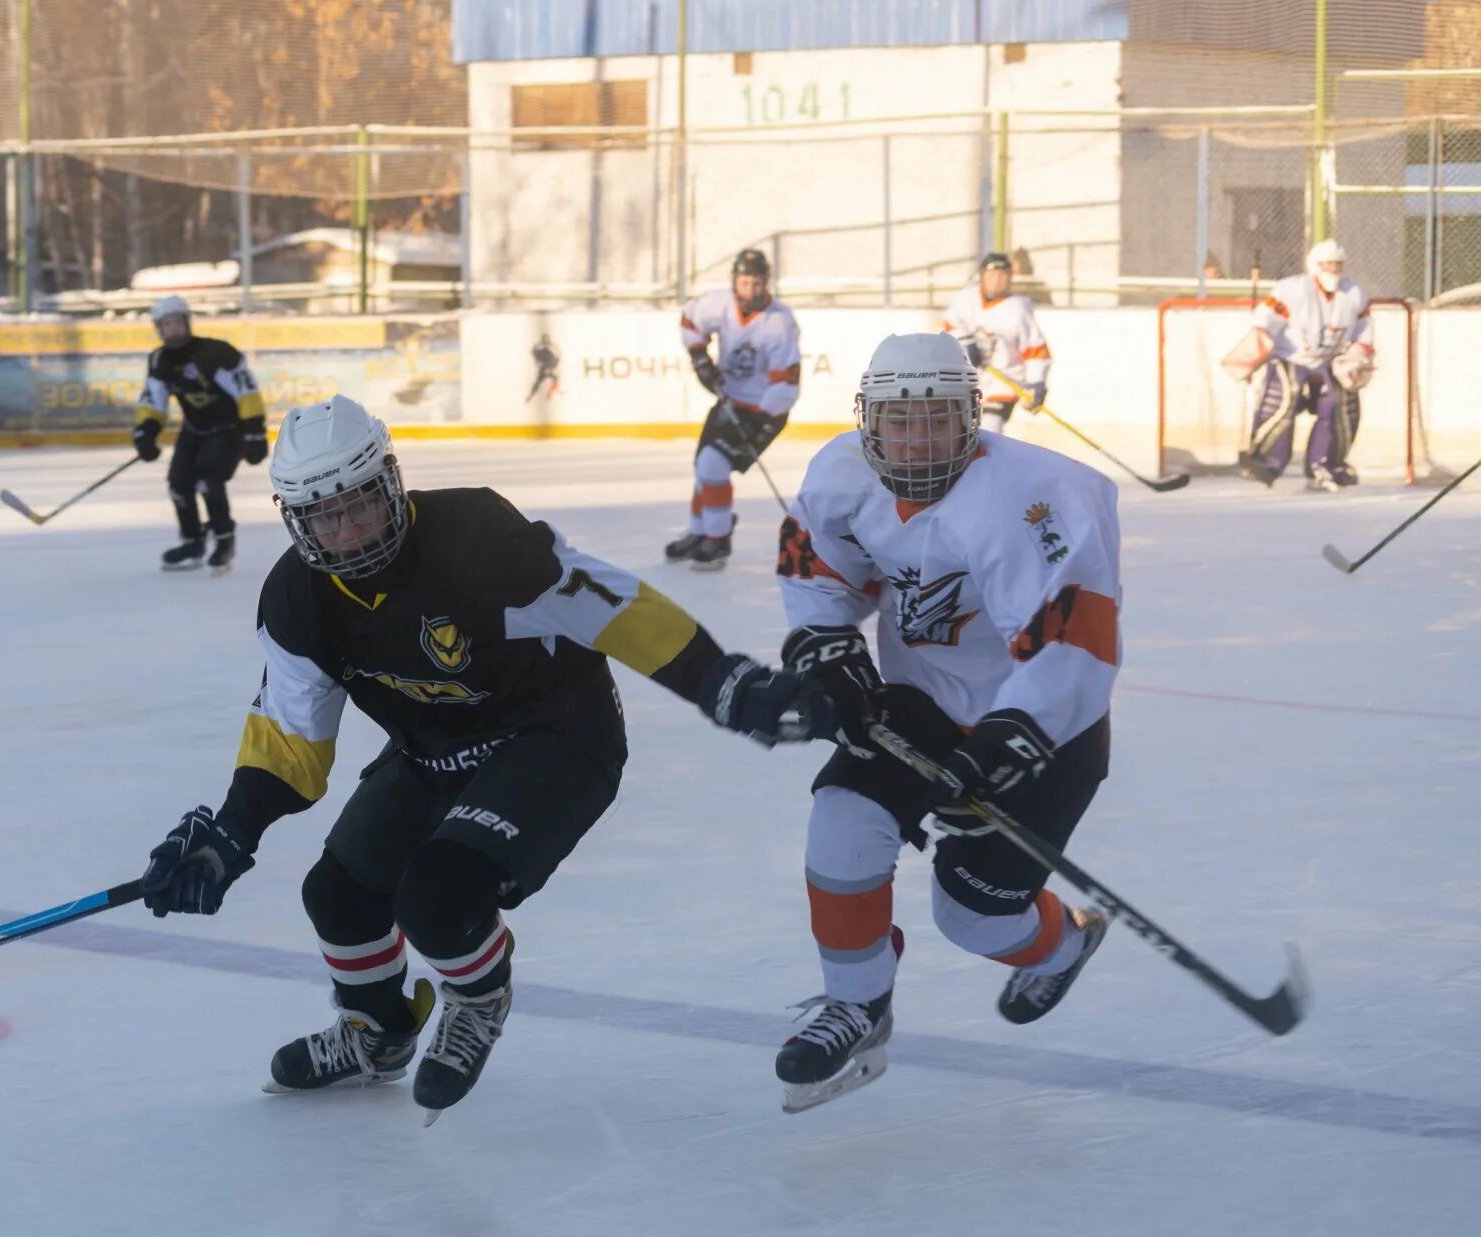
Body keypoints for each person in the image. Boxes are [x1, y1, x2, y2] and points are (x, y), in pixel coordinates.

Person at [136, 394, 836, 1121]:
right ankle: (376, 1033)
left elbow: (609, 605)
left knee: (440, 898)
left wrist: (716, 679)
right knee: (338, 895)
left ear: (391, 483)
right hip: (430, 753)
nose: (347, 532)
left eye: (361, 505)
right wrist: (229, 835)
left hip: (558, 737)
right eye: (324, 516)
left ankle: (478, 994)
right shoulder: (296, 599)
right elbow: (289, 739)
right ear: (296, 519)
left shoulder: (477, 537)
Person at [770, 332, 1120, 1114]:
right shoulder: (841, 473)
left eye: (938, 418)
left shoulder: (1032, 499)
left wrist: (1008, 742)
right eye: (901, 420)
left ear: (972, 416)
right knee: (841, 821)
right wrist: (826, 642)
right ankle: (857, 1005)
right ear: (870, 420)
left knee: (973, 918)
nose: (919, 438)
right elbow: (819, 569)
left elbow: (1077, 640)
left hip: (1043, 727)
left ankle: (1066, 941)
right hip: (921, 701)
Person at [664, 248, 802, 571]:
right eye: (744, 282)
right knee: (704, 466)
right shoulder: (720, 303)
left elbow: (787, 383)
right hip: (730, 400)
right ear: (735, 282)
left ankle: (718, 539)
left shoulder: (779, 322)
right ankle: (700, 532)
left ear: (765, 283)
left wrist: (761, 422)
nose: (750, 290)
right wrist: (700, 357)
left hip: (763, 410)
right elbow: (689, 319)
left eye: (756, 283)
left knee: (712, 465)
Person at [133, 294, 270, 572]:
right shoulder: (160, 360)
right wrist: (146, 432)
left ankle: (224, 539)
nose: (172, 328)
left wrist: (255, 432)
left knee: (208, 480)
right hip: (194, 429)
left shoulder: (216, 353)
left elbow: (246, 391)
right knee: (178, 483)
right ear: (158, 328)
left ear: (187, 322)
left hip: (230, 429)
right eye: (166, 324)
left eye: (176, 322)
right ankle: (193, 540)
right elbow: (154, 399)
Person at [1228, 240, 1374, 491]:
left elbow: (1364, 328)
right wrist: (1252, 354)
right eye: (1329, 264)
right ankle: (1265, 462)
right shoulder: (1291, 289)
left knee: (1340, 407)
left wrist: (1359, 353)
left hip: (1331, 362)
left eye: (1339, 264)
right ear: (1315, 265)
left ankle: (1328, 465)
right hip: (1290, 358)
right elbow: (1265, 321)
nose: (1334, 269)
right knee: (1281, 403)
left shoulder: (1354, 292)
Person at [942, 251, 1052, 434]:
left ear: (1010, 278)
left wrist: (1037, 384)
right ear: (982, 275)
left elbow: (1036, 350)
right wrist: (965, 344)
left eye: (1003, 274)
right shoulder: (966, 299)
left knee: (989, 434)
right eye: (992, 274)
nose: (997, 280)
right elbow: (950, 326)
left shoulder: (1018, 308)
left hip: (1005, 381)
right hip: (970, 380)